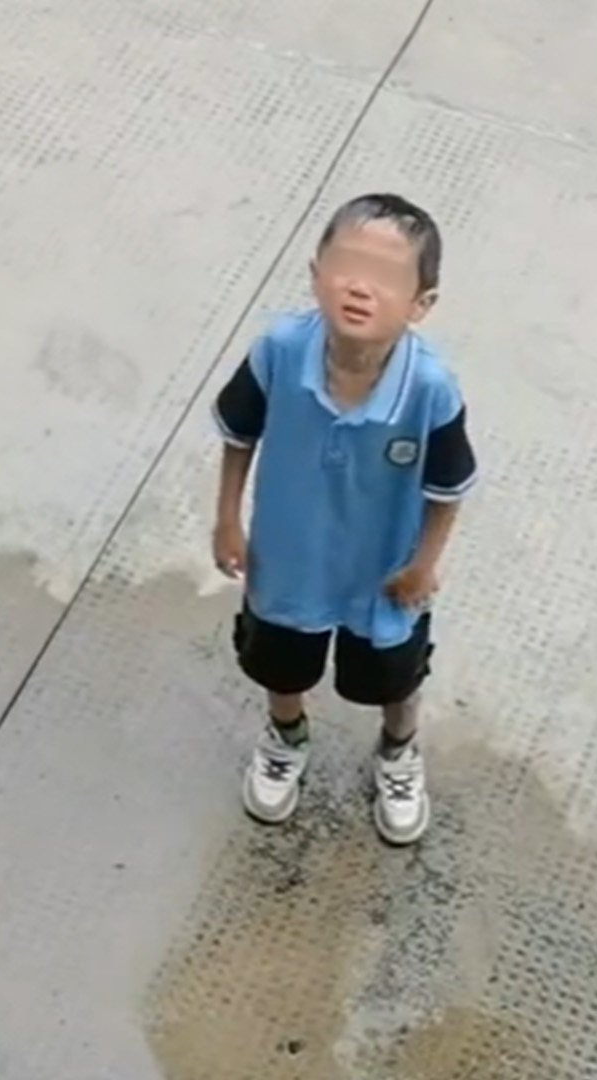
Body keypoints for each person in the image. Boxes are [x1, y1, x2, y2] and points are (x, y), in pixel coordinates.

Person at [211, 193, 477, 846]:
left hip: (382, 570)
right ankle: (286, 735)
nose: (361, 289)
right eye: (346, 267)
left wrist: (423, 566)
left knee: (393, 672)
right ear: (315, 273)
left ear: (421, 303)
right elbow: (239, 435)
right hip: (289, 554)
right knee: (282, 663)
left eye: (387, 280)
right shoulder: (279, 350)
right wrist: (228, 520)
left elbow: (448, 488)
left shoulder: (431, 389)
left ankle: (397, 750)